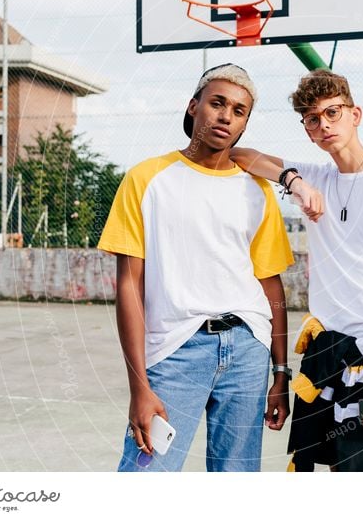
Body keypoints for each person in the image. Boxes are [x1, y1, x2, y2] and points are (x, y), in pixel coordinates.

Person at [231, 68, 363, 472]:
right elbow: (240, 156)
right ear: (307, 130)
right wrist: (293, 181)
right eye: (313, 119)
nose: (324, 124)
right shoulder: (316, 177)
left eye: (333, 113)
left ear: (355, 114)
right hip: (328, 358)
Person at [97, 64, 296, 472]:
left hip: (247, 349)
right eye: (217, 103)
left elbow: (271, 287)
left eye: (239, 111)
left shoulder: (255, 189)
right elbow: (130, 287)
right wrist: (139, 386)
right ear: (194, 107)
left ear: (244, 125)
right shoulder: (147, 178)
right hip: (174, 351)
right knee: (144, 475)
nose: (226, 116)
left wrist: (280, 373)